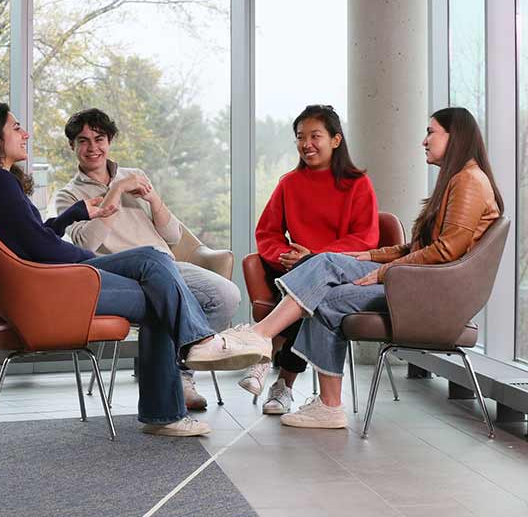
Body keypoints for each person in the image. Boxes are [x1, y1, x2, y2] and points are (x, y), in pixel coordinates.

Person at [0, 103, 269, 437]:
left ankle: (187, 369)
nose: (24, 133)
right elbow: (41, 247)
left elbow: (35, 236)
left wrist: (74, 215)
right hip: (60, 283)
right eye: (15, 128)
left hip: (51, 280)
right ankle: (189, 366)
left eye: (99, 138)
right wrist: (82, 256)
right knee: (156, 280)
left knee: (154, 268)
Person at [198, 107, 503, 429]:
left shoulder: (468, 181)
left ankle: (259, 337)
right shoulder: (458, 180)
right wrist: (370, 257)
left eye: (431, 132)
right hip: (417, 282)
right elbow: (419, 248)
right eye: (301, 138)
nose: (423, 141)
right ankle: (329, 406)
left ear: (456, 137)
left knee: (325, 264)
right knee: (327, 298)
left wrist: (384, 270)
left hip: (427, 292)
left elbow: (446, 251)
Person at [53, 108, 241, 411]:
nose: (92, 148)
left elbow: (172, 236)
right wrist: (115, 191)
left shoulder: (135, 176)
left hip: (166, 263)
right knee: (165, 302)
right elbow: (88, 242)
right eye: (83, 141)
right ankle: (175, 380)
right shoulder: (68, 195)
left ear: (110, 140)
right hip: (121, 276)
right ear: (72, 146)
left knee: (227, 295)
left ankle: (182, 372)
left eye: (99, 139)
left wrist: (153, 199)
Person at [238, 105, 379, 415]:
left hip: (342, 276)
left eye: (316, 136)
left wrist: (314, 257)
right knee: (306, 291)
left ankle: (269, 363)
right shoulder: (288, 183)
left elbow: (365, 239)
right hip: (290, 272)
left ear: (336, 140)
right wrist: (286, 256)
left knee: (312, 288)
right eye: (300, 137)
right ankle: (281, 384)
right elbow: (267, 232)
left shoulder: (358, 184)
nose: (307, 144)